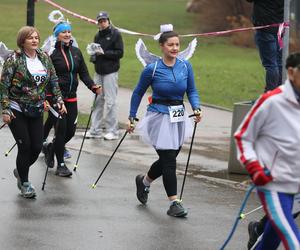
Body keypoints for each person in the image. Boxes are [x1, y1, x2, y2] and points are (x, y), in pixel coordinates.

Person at [127, 25, 202, 217]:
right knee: (169, 160)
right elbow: (138, 92)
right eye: (171, 45)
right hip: (158, 117)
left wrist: (196, 107)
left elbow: (191, 90)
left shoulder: (185, 66)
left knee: (168, 159)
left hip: (178, 117)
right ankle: (174, 203)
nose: (175, 48)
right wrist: (132, 116)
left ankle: (143, 182)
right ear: (162, 46)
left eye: (177, 44)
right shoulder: (152, 69)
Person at [234, 52, 300, 250]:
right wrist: (255, 168)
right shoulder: (272, 101)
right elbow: (243, 136)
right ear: (291, 72)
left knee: (271, 239)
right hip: (273, 184)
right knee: (293, 242)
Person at [0, 26, 66, 198]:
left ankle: (20, 171)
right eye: (31, 38)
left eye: (37, 37)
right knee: (25, 146)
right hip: (17, 109)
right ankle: (25, 183)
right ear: (23, 41)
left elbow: (53, 80)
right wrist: (5, 109)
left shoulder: (44, 58)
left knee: (37, 147)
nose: (35, 40)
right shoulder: (14, 59)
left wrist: (59, 101)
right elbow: (4, 86)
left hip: (37, 109)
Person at [43, 21, 101, 177]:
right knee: (60, 131)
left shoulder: (76, 52)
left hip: (72, 98)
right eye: (64, 32)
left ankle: (51, 148)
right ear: (57, 35)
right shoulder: (51, 55)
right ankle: (61, 165)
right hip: (56, 98)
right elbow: (47, 79)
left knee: (70, 131)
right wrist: (48, 98)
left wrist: (93, 86)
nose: (68, 34)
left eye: (69, 31)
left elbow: (84, 74)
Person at [86, 11, 124, 140]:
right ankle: (95, 130)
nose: (102, 23)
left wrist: (104, 53)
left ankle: (113, 131)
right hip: (99, 72)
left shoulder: (115, 34)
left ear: (108, 21)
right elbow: (96, 52)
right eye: (100, 21)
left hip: (110, 72)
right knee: (97, 101)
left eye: (104, 21)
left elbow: (120, 53)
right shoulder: (98, 36)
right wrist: (94, 53)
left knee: (110, 102)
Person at [246, 0, 284, 92]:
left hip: (265, 29)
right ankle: (278, 93)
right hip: (279, 29)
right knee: (278, 63)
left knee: (271, 64)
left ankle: (270, 93)